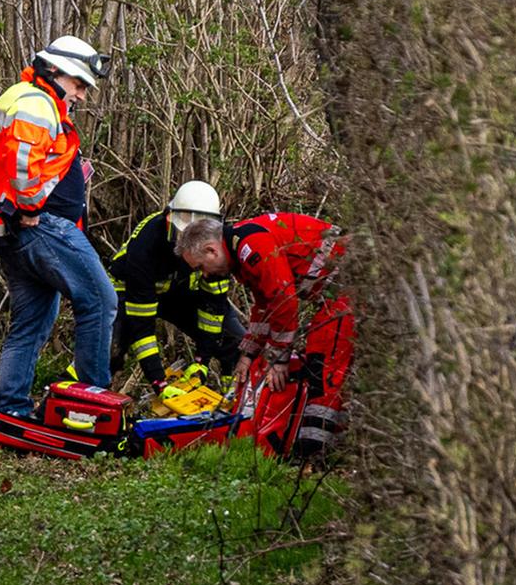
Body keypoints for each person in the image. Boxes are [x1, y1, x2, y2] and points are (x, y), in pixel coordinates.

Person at [0, 36, 117, 419]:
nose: (81, 96)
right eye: (78, 85)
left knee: (31, 324)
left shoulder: (23, 98)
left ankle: (11, 410)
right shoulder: (36, 103)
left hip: (15, 231)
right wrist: (30, 204)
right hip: (39, 225)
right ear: (55, 72)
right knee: (100, 300)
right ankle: (92, 409)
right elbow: (22, 161)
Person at [175, 212, 353, 459]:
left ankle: (313, 456)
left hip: (349, 285)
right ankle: (333, 446)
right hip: (341, 287)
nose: (204, 275)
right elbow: (264, 306)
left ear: (211, 250)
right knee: (323, 364)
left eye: (200, 267)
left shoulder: (252, 245)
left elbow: (284, 301)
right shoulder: (241, 247)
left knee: (323, 366)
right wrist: (248, 354)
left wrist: (279, 359)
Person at [106, 179, 241, 393]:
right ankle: (79, 394)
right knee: (110, 347)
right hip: (130, 289)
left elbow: (214, 308)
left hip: (176, 290)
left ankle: (234, 395)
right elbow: (142, 324)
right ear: (170, 219)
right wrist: (159, 382)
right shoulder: (145, 247)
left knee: (233, 338)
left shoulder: (216, 249)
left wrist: (202, 361)